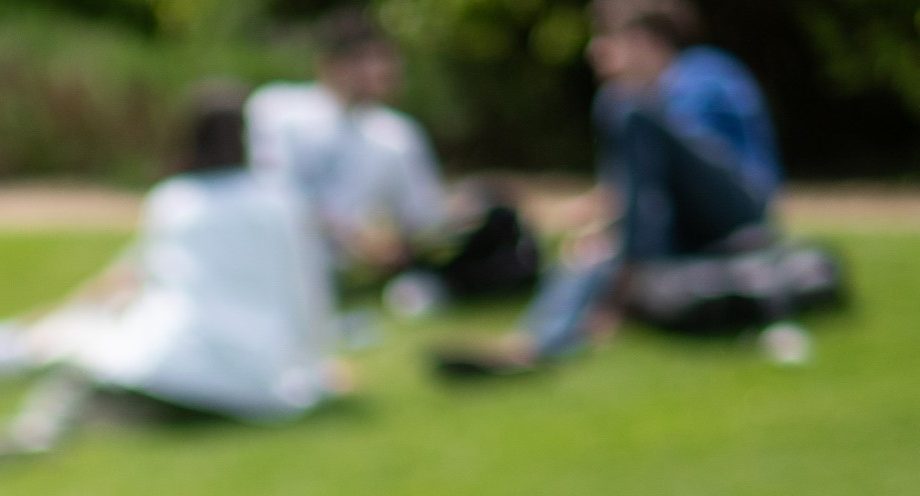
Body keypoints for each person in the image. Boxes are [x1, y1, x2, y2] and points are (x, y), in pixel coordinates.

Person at [0, 82, 342, 467]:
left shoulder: (177, 201)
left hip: (186, 363)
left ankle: (7, 378)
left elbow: (137, 281)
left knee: (86, 354)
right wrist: (317, 365)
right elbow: (308, 290)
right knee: (109, 376)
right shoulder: (281, 203)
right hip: (263, 381)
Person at [434, 0, 782, 376]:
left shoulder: (700, 77)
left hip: (739, 213)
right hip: (686, 223)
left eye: (607, 39)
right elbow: (641, 192)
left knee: (622, 110)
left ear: (644, 42)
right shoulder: (644, 101)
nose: (595, 52)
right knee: (591, 251)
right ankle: (533, 344)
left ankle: (618, 288)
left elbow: (690, 182)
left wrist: (622, 245)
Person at [248, 11, 539, 306]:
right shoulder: (279, 110)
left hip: (350, 269)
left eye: (384, 59)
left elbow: (423, 217)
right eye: (365, 60)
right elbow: (272, 192)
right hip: (285, 261)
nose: (380, 70)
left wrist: (475, 203)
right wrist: (352, 236)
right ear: (329, 64)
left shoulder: (398, 135)